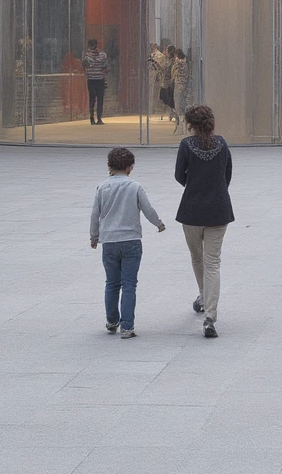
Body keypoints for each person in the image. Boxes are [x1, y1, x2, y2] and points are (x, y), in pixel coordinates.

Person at [91, 146, 165, 337]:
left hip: (109, 242)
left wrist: (94, 236)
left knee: (112, 283)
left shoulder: (102, 187)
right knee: (129, 284)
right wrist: (158, 223)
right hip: (131, 241)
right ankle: (127, 326)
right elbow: (147, 209)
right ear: (130, 167)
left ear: (109, 165)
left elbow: (95, 215)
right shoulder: (135, 187)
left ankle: (111, 320)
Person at [173, 104, 233, 338]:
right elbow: (227, 175)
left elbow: (180, 175)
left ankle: (203, 296)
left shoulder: (186, 145)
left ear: (190, 124)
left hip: (192, 211)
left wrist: (195, 184)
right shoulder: (222, 143)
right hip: (219, 209)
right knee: (213, 262)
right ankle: (210, 314)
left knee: (198, 258)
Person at [82, 39, 111, 126]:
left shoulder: (101, 55)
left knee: (98, 99)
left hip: (98, 80)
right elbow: (84, 66)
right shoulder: (87, 55)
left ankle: (97, 118)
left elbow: (106, 67)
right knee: (94, 99)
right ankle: (93, 118)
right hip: (93, 80)